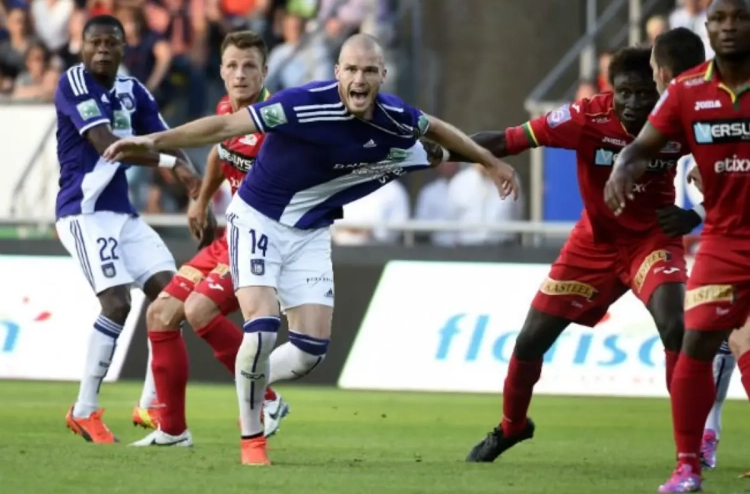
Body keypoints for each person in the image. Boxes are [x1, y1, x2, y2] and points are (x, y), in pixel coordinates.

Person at [103, 33, 519, 465]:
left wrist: (493, 159)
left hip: (311, 233)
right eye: (351, 70)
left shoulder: (398, 131)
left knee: (308, 353)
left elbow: (442, 133)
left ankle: (252, 382)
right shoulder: (302, 104)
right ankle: (251, 441)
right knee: (260, 327)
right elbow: (224, 130)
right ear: (337, 72)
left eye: (369, 71)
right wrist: (154, 142)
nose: (359, 79)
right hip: (258, 218)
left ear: (383, 75)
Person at [453, 46, 700, 464]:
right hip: (593, 244)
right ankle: (512, 427)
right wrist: (441, 149)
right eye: (625, 93)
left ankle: (689, 451)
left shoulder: (677, 115)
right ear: (610, 90)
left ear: (658, 88)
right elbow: (509, 140)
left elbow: (730, 166)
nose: (634, 103)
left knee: (675, 326)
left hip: (652, 241)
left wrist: (694, 213)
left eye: (644, 93)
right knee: (530, 341)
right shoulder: (585, 118)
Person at [604, 0, 750, 491]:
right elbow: (642, 147)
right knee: (697, 343)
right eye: (719, 19)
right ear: (707, 29)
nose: (729, 27)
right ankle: (688, 466)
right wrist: (622, 170)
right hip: (724, 241)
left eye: (740, 18)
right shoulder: (688, 92)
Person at [131, 30, 287, 447]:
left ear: (264, 72)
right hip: (230, 236)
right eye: (232, 66)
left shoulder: (276, 124)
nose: (240, 74)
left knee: (199, 309)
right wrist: (200, 200)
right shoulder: (224, 111)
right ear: (221, 71)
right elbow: (220, 150)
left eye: (249, 66)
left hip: (262, 241)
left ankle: (267, 398)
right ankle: (172, 430)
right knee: (160, 313)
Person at [54, 15, 203, 443]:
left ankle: (149, 404)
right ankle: (84, 410)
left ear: (124, 48)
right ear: (82, 46)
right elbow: (108, 146)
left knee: (173, 298)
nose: (102, 50)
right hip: (83, 213)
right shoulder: (74, 83)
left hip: (123, 215)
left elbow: (165, 139)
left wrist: (198, 190)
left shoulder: (133, 90)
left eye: (111, 43)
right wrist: (175, 167)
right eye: (95, 42)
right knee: (117, 304)